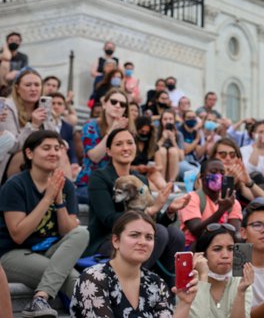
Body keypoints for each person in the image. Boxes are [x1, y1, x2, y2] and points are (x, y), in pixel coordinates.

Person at [0, 130, 88, 317]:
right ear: (30, 153)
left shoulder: (66, 186)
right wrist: (47, 198)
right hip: (13, 253)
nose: (53, 153)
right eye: (46, 148)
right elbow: (18, 234)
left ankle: (40, 298)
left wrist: (59, 200)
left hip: (50, 251)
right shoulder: (15, 185)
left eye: (57, 148)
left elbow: (68, 230)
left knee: (82, 233)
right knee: (73, 278)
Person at [85, 128, 189, 286]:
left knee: (175, 234)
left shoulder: (140, 179)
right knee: (157, 233)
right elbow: (107, 219)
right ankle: (129, 285)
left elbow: (152, 219)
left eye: (130, 143)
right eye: (119, 144)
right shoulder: (100, 177)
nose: (126, 148)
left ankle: (166, 292)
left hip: (137, 237)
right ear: (109, 151)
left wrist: (169, 211)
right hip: (108, 239)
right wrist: (150, 211)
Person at [71, 210, 199, 317]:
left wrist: (185, 303)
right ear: (116, 241)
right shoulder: (93, 279)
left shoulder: (156, 283)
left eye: (149, 237)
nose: (143, 242)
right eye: (134, 235)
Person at [76, 88, 134, 201]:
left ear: (124, 110)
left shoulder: (127, 131)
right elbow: (95, 157)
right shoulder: (91, 126)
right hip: (89, 183)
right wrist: (113, 130)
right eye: (113, 102)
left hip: (115, 184)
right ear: (104, 105)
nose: (117, 105)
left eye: (122, 104)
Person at [1, 68, 58, 181]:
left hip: (41, 157)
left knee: (61, 153)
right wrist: (33, 126)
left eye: (37, 85)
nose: (33, 89)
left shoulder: (44, 107)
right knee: (28, 155)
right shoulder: (6, 108)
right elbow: (13, 146)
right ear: (17, 89)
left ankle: (63, 195)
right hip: (11, 162)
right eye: (28, 85)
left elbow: (53, 137)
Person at [190, 223, 254, 317]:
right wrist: (203, 277)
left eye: (230, 249)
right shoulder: (190, 283)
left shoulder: (242, 282)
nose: (225, 255)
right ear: (202, 254)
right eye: (217, 249)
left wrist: (241, 292)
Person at [178, 158, 243, 247]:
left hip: (222, 247)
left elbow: (235, 234)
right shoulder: (191, 198)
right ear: (202, 177)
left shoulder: (233, 203)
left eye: (222, 173)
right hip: (193, 248)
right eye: (213, 172)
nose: (218, 176)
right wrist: (221, 210)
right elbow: (197, 232)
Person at [209, 138, 264, 206]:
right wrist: (228, 182)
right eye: (223, 154)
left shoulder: (238, 179)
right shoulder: (206, 175)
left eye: (232, 155)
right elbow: (215, 204)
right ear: (214, 157)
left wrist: (248, 182)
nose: (228, 158)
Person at [155, 108, 189, 182]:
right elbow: (151, 153)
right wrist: (162, 139)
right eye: (165, 119)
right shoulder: (156, 132)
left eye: (170, 119)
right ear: (161, 121)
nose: (168, 121)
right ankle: (162, 182)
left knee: (173, 150)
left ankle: (171, 183)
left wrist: (173, 141)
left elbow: (181, 157)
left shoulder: (179, 134)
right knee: (162, 150)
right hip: (159, 160)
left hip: (174, 162)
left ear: (174, 121)